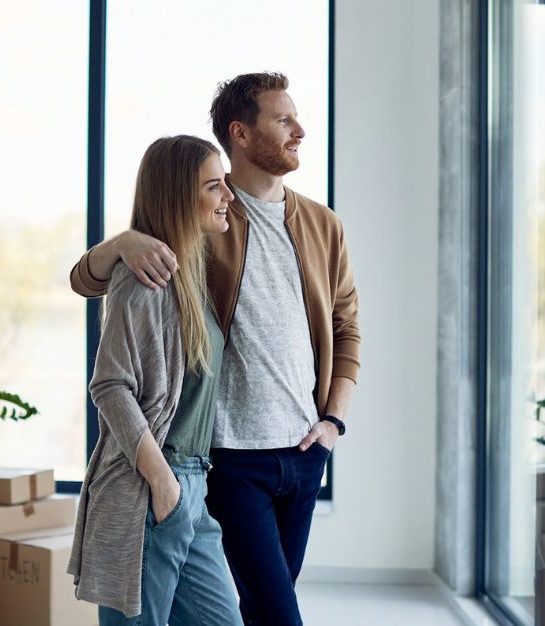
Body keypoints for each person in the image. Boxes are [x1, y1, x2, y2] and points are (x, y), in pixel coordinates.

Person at [69, 72, 361, 625]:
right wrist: (122, 242)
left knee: (259, 605)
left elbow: (347, 327)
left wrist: (332, 423)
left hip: (303, 453)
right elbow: (93, 285)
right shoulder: (209, 220)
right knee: (274, 612)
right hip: (225, 457)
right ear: (242, 134)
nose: (301, 129)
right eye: (283, 119)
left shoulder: (324, 226)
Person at [66, 134, 243, 626]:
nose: (227, 195)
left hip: (193, 487)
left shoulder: (188, 272)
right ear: (180, 197)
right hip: (154, 485)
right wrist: (162, 483)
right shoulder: (144, 278)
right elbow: (109, 385)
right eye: (214, 186)